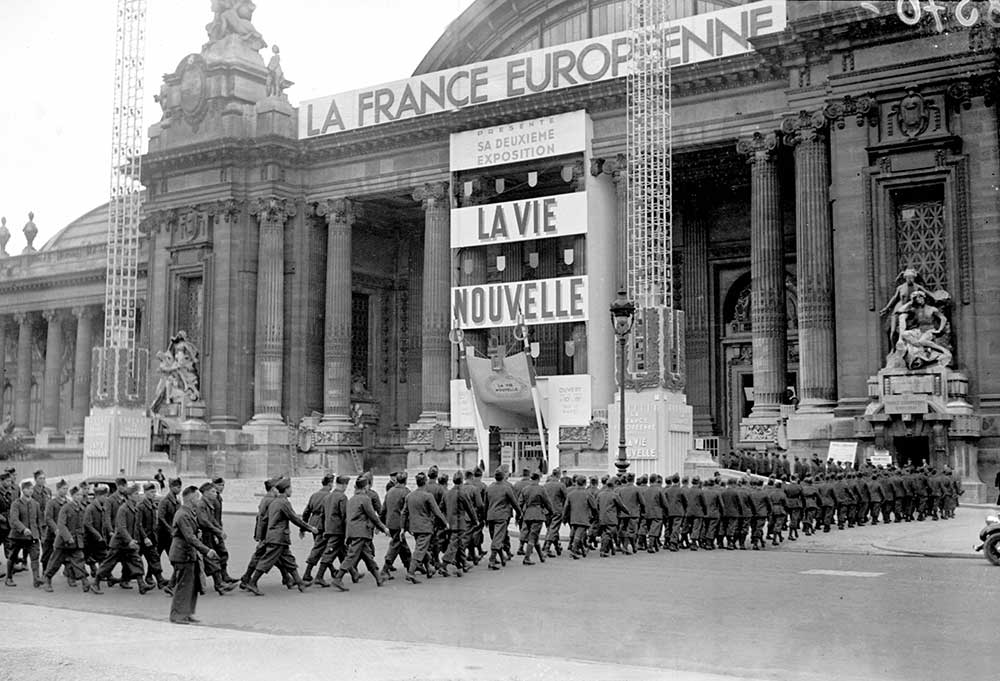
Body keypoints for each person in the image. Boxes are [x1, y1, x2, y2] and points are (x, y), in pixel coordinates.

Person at [243, 478, 316, 595]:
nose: (291, 491)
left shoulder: (274, 502)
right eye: (290, 488)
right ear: (286, 489)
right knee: (266, 561)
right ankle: (252, 582)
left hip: (274, 537)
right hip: (279, 538)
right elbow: (294, 518)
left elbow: (265, 519)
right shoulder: (283, 502)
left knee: (289, 560)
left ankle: (300, 583)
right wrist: (309, 528)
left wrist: (264, 536)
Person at [168, 485, 219, 625]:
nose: (199, 499)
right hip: (182, 554)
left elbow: (193, 534)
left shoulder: (189, 513)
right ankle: (177, 615)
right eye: (197, 496)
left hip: (189, 554)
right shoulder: (183, 514)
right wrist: (206, 550)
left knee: (192, 586)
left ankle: (186, 613)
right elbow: (189, 537)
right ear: (190, 499)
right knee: (184, 586)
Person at [329, 476, 388, 591]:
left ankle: (378, 577)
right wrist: (384, 528)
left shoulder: (352, 499)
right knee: (351, 555)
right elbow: (373, 516)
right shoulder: (365, 499)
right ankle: (338, 578)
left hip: (353, 531)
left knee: (367, 555)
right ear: (365, 486)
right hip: (361, 532)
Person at [96, 484, 150, 595]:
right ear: (129, 496)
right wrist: (130, 540)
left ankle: (141, 585)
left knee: (137, 561)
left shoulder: (135, 508)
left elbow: (137, 526)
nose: (138, 496)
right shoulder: (123, 509)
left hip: (128, 543)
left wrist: (141, 538)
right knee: (108, 564)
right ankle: (95, 583)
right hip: (118, 544)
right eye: (136, 494)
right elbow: (121, 527)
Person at [42, 486, 96, 594]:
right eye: (77, 495)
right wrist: (68, 537)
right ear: (72, 496)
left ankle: (85, 582)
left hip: (76, 541)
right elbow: (61, 525)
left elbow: (82, 526)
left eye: (81, 495)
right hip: (63, 542)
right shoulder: (66, 508)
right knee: (54, 563)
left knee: (79, 561)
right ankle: (47, 580)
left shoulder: (82, 509)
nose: (79, 497)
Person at [401, 472, 448, 583]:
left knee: (424, 548)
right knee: (420, 549)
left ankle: (429, 568)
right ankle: (411, 573)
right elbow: (437, 512)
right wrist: (445, 522)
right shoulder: (428, 496)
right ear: (425, 482)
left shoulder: (409, 496)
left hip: (414, 528)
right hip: (425, 527)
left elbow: (404, 513)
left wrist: (403, 528)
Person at [314, 476, 351, 588]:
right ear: (344, 485)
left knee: (343, 552)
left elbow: (322, 515)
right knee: (329, 553)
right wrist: (347, 532)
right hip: (338, 530)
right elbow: (345, 516)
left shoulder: (328, 496)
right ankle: (319, 577)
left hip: (329, 529)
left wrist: (323, 530)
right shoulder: (342, 497)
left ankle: (354, 574)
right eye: (346, 485)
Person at [7, 480, 43, 587]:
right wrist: (23, 529)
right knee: (13, 556)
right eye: (28, 489)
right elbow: (13, 520)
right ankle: (9, 578)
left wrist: (40, 535)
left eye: (32, 489)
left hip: (32, 536)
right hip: (18, 536)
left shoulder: (35, 504)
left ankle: (36, 579)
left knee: (35, 557)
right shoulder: (16, 503)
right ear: (23, 490)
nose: (30, 491)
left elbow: (38, 521)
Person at [484, 468, 521, 570]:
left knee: (495, 537)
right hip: (502, 516)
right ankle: (492, 560)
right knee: (498, 538)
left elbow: (485, 505)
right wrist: (519, 513)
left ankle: (502, 557)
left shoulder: (489, 488)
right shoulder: (506, 488)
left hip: (490, 516)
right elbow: (514, 503)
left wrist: (485, 518)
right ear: (503, 477)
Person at [441, 471, 476, 576]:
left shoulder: (447, 493)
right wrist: (475, 520)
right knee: (454, 544)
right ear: (461, 481)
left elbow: (441, 508)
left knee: (459, 544)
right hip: (459, 523)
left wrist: (445, 520)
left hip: (450, 523)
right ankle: (444, 565)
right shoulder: (462, 493)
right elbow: (469, 508)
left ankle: (463, 564)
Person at [301, 475, 333, 583]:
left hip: (313, 524)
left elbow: (306, 511)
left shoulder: (314, 495)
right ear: (330, 484)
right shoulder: (329, 496)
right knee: (319, 549)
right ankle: (307, 573)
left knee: (323, 548)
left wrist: (303, 527)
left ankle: (333, 570)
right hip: (323, 525)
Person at [380, 472, 411, 580]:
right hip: (399, 524)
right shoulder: (406, 492)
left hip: (390, 523)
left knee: (403, 547)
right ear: (405, 481)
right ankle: (385, 569)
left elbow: (383, 509)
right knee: (395, 546)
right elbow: (408, 511)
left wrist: (382, 523)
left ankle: (409, 567)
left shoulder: (390, 491)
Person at [519, 472, 553, 566]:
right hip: (538, 514)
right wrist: (551, 511)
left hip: (528, 514)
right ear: (538, 479)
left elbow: (520, 502)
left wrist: (521, 513)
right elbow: (547, 502)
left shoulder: (525, 489)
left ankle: (541, 556)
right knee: (533, 536)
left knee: (535, 536)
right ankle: (527, 557)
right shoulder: (541, 489)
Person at [138, 483, 167, 589]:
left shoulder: (152, 504)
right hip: (143, 539)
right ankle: (125, 578)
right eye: (151, 492)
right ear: (145, 493)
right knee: (134, 560)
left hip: (151, 538)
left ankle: (159, 580)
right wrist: (145, 537)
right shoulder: (141, 506)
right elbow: (139, 524)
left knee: (154, 558)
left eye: (154, 492)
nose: (154, 494)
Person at [83, 485, 112, 584]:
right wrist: (98, 535)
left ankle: (104, 574)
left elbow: (105, 522)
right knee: (86, 557)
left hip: (99, 538)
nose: (106, 498)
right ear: (98, 496)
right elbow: (87, 524)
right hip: (91, 539)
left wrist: (109, 532)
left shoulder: (103, 507)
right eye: (104, 496)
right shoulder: (90, 508)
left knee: (102, 557)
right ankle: (99, 576)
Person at [41, 479, 69, 580]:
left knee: (66, 554)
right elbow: (48, 518)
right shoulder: (51, 503)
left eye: (66, 489)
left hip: (64, 533)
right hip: (52, 533)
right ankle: (45, 573)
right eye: (63, 489)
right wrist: (56, 529)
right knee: (47, 555)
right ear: (58, 489)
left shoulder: (68, 502)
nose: (65, 491)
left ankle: (69, 573)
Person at [564, 475, 596, 558]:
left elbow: (566, 507)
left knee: (578, 534)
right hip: (583, 518)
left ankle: (582, 550)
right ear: (585, 483)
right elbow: (594, 507)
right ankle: (573, 551)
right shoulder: (587, 494)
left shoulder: (570, 494)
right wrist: (595, 516)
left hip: (573, 518)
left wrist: (564, 518)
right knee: (578, 535)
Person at [542, 471, 567, 558]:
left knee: (551, 528)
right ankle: (547, 548)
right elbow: (566, 498)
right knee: (553, 529)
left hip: (546, 510)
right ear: (559, 475)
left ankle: (556, 547)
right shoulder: (561, 485)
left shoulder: (545, 485)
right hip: (557, 510)